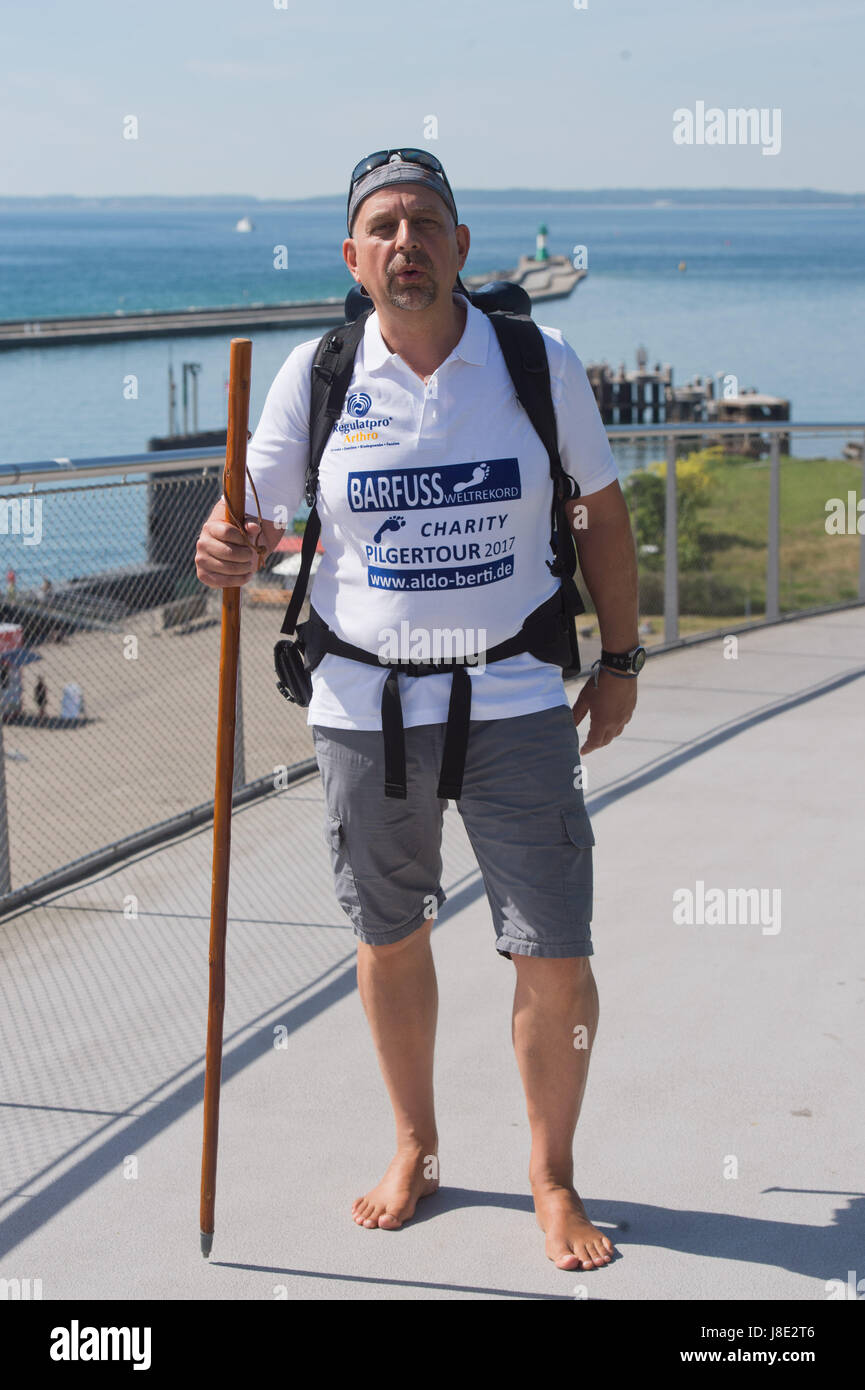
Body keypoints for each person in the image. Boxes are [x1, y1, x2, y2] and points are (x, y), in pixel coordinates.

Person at [195, 149, 642, 1274]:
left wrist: (624, 656)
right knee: (388, 935)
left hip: (515, 692)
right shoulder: (319, 371)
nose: (407, 242)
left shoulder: (536, 360)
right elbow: (245, 526)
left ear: (460, 248)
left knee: (555, 950)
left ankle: (551, 1174)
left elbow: (598, 515)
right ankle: (417, 1146)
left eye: (426, 222)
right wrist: (222, 548)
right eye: (383, 226)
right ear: (355, 256)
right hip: (363, 701)